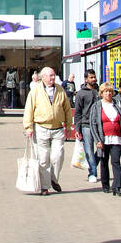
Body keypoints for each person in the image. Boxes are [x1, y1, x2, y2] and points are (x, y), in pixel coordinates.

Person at [22, 67, 73, 195]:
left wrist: (68, 125)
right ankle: (45, 187)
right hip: (41, 127)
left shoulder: (60, 90)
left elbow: (67, 108)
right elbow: (29, 109)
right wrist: (28, 127)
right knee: (43, 158)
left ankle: (53, 179)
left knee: (58, 156)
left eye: (53, 75)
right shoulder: (35, 91)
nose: (52, 78)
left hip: (58, 128)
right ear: (42, 77)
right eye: (49, 76)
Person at [93, 82, 121, 195]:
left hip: (117, 138)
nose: (108, 94)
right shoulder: (97, 106)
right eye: (106, 91)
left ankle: (117, 187)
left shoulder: (117, 104)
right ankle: (105, 185)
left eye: (110, 91)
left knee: (116, 162)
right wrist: (97, 140)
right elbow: (93, 124)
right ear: (101, 93)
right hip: (103, 138)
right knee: (104, 163)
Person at [72, 69, 102, 184]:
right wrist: (77, 129)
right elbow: (78, 112)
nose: (93, 79)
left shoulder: (99, 91)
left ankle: (92, 166)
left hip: (100, 125)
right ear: (86, 79)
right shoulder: (81, 93)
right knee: (89, 150)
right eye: (91, 77)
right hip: (86, 125)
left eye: (94, 77)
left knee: (101, 148)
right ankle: (93, 173)